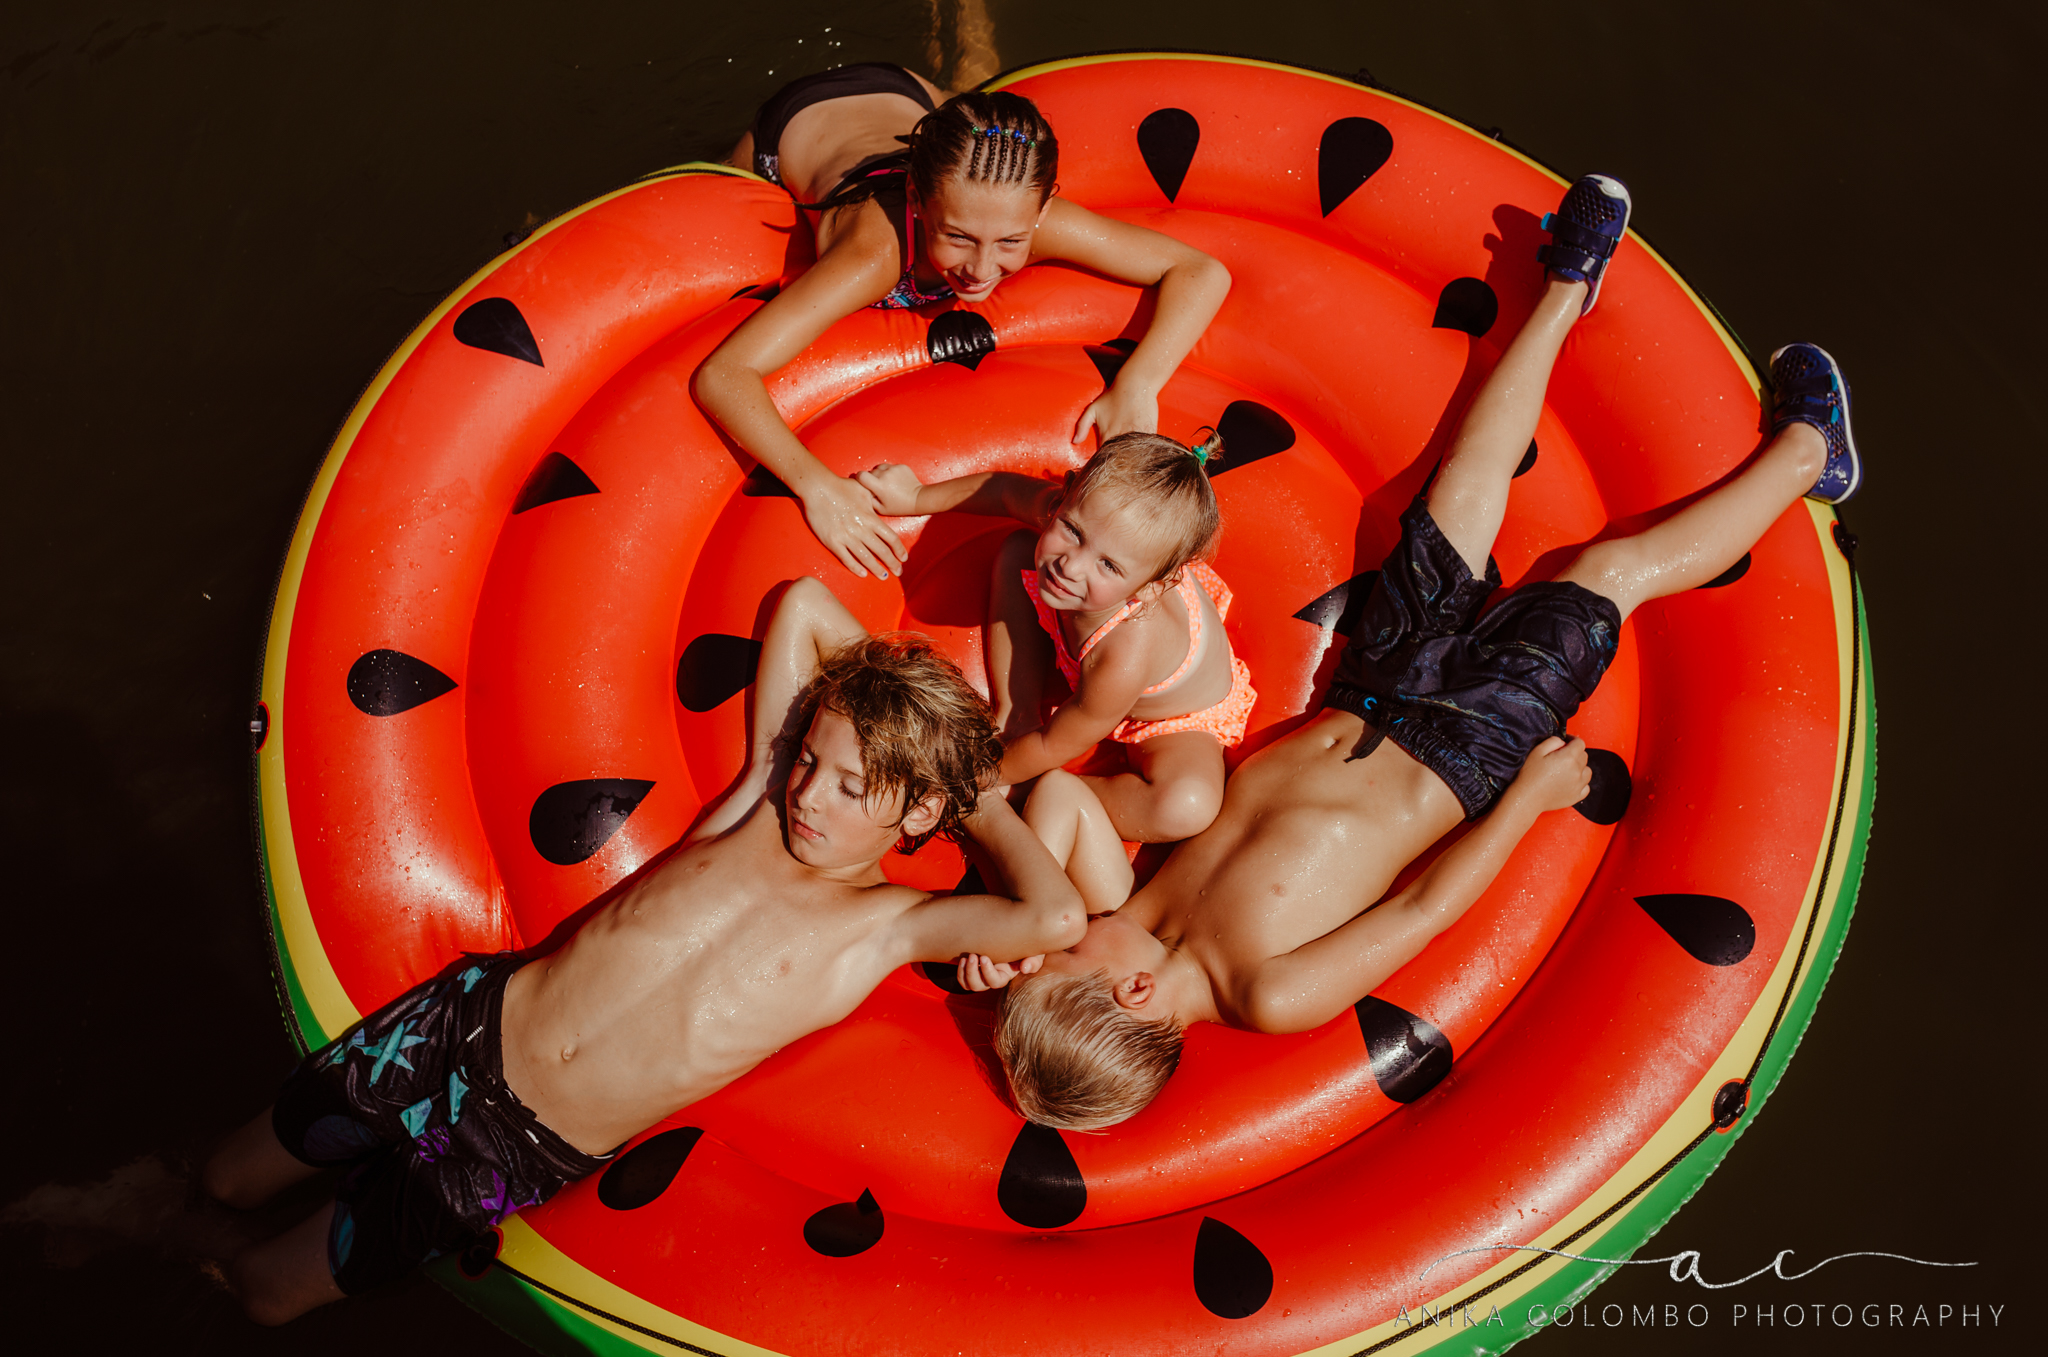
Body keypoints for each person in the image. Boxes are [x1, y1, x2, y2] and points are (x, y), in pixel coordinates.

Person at [967, 174, 1866, 1131]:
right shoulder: (1266, 993)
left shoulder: (1127, 909)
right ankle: (1811, 454)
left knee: (1462, 489)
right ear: (1135, 994)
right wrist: (1525, 800)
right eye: (1058, 960)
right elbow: (1420, 911)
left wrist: (1011, 924)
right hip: (1466, 743)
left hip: (1373, 682)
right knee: (1608, 571)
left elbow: (1056, 804)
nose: (1055, 941)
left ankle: (1568, 286)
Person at [201, 577, 1085, 1322]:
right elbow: (808, 605)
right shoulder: (757, 804)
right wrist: (887, 717)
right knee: (229, 1176)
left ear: (921, 810)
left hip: (519, 1148)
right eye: (812, 760)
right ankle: (161, 1222)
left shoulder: (885, 924)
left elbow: (1055, 917)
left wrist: (966, 790)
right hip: (462, 1026)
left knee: (270, 1293)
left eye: (852, 787)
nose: (812, 794)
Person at [697, 73, 1232, 582]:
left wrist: (1138, 381)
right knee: (708, 183)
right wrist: (817, 486)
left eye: (1010, 243)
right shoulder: (875, 255)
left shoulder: (1023, 220)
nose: (981, 268)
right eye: (957, 237)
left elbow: (1201, 272)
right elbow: (724, 373)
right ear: (916, 202)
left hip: (905, 94)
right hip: (795, 125)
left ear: (1042, 208)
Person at [859, 430, 1255, 844]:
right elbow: (1003, 490)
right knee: (1018, 549)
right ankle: (1016, 712)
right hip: (1093, 632)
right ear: (1065, 495)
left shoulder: (1125, 655)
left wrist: (966, 783)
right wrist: (915, 497)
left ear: (1152, 587)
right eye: (1072, 530)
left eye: (1108, 565)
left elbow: (1055, 743)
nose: (1071, 565)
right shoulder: (1082, 516)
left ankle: (1035, 792)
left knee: (1185, 807)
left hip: (1168, 717)